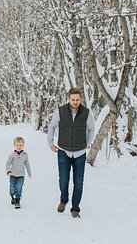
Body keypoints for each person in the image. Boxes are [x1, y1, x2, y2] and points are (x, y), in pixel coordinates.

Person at [47, 87, 95, 218]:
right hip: (63, 151)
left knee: (78, 182)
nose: (75, 102)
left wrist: (88, 144)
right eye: (73, 99)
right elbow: (52, 126)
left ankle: (75, 209)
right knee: (63, 180)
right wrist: (50, 143)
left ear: (81, 99)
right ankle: (63, 200)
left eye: (77, 100)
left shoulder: (86, 113)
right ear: (69, 99)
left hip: (80, 153)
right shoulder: (61, 111)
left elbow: (91, 129)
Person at [5, 136, 32, 209]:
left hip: (21, 175)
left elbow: (27, 164)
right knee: (12, 189)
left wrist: (29, 172)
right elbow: (8, 163)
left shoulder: (25, 155)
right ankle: (12, 196)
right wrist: (8, 171)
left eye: (20, 145)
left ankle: (17, 200)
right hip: (13, 175)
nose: (19, 147)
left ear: (23, 145)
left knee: (19, 188)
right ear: (14, 145)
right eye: (17, 145)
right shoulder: (12, 155)